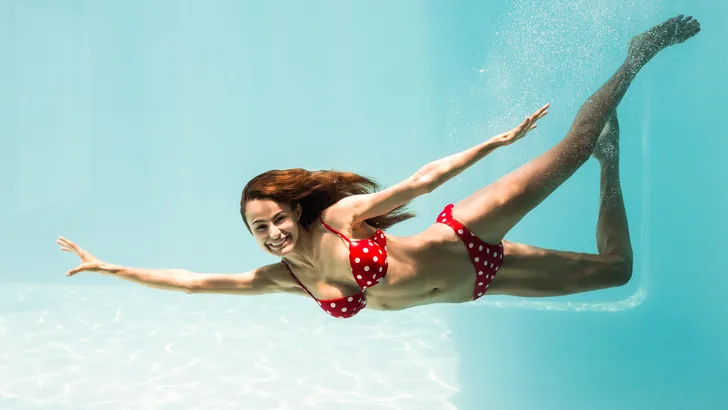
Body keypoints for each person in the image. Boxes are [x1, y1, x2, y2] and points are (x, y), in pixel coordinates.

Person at [58, 15, 700, 319]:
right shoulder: (287, 279)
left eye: (277, 218)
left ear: (295, 210)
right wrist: (109, 266)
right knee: (616, 272)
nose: (274, 233)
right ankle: (611, 168)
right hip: (480, 281)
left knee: (570, 149)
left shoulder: (339, 220)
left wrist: (492, 147)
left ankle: (636, 57)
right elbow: (194, 283)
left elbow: (418, 183)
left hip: (464, 234)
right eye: (260, 229)